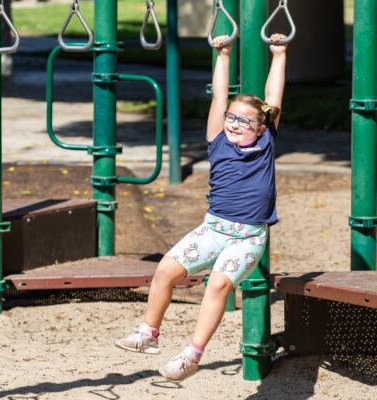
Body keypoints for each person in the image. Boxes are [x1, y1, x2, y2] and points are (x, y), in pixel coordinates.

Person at [115, 33, 287, 382]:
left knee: (219, 285)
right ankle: (149, 332)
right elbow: (220, 95)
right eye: (231, 118)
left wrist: (279, 55)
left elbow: (272, 98)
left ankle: (192, 355)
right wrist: (222, 55)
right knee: (165, 269)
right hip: (213, 228)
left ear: (261, 126)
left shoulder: (267, 142)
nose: (235, 125)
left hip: (247, 237)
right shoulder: (217, 140)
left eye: (244, 121)